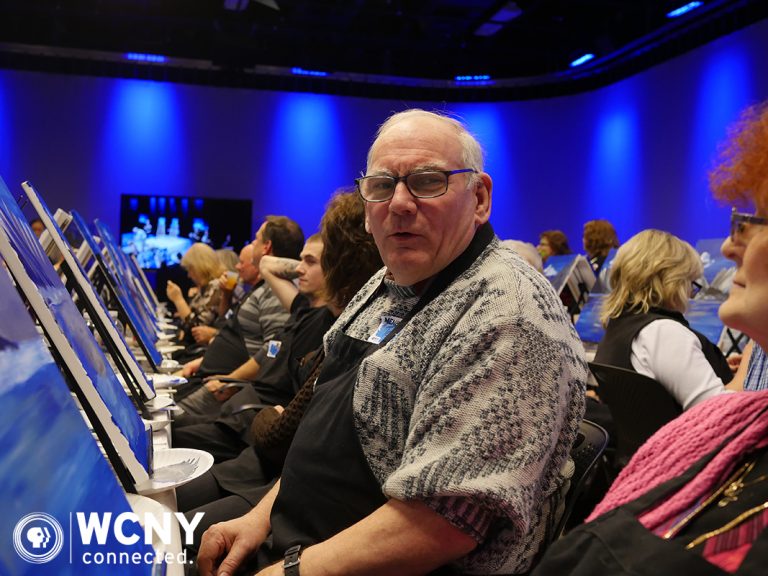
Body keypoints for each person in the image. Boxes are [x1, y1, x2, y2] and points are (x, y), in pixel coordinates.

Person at [196, 109, 587, 576]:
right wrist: (259, 518)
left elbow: (446, 520)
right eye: (382, 186)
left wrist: (288, 570)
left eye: (427, 181)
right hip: (298, 542)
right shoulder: (387, 282)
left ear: (479, 198)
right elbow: (322, 436)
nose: (399, 203)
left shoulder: (509, 313)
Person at [533, 100, 768, 576]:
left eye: (757, 219)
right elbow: (709, 415)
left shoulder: (621, 328)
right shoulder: (667, 335)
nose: (728, 246)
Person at [176, 190, 383, 546]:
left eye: (315, 261)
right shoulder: (324, 319)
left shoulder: (344, 333)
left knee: (161, 524)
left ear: (338, 264)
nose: (300, 269)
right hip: (265, 465)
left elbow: (282, 434)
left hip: (277, 477)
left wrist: (268, 415)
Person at [594, 229, 734, 411]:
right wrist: (747, 364)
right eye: (690, 282)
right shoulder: (663, 333)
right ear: (671, 281)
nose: (690, 294)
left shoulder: (620, 326)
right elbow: (717, 412)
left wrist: (703, 363)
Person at [176, 216, 303, 391]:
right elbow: (229, 328)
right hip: (215, 376)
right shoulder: (262, 288)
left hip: (228, 386)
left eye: (256, 239)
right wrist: (202, 363)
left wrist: (230, 380)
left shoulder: (276, 291)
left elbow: (272, 349)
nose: (237, 267)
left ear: (266, 247)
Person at [165, 242, 224, 341]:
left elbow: (196, 329)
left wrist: (178, 299)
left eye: (190, 269)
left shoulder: (216, 287)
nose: (189, 275)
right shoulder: (205, 287)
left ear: (199, 267)